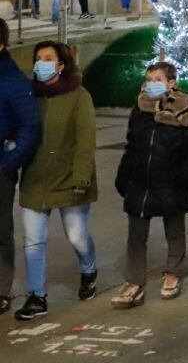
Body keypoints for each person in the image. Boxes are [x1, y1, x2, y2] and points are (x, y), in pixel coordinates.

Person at [112, 62, 188, 308]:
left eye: (158, 79)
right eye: (149, 78)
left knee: (174, 228)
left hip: (172, 179)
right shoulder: (140, 108)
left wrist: (184, 176)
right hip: (141, 179)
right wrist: (124, 174)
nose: (152, 83)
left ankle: (172, 272)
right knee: (136, 233)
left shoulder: (185, 108)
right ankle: (134, 281)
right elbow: (131, 144)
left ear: (172, 82)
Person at [16, 41, 98, 320]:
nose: (41, 63)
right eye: (38, 58)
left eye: (48, 58)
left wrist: (81, 177)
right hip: (35, 178)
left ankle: (89, 269)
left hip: (69, 178)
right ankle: (36, 295)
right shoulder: (29, 96)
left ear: (61, 65)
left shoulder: (79, 96)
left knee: (76, 235)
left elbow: (85, 141)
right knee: (33, 240)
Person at [0, 19, 42, 316]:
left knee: (0, 230)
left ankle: (1, 290)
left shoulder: (13, 81)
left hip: (0, 167)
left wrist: (8, 163)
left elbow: (29, 126)